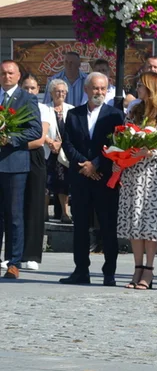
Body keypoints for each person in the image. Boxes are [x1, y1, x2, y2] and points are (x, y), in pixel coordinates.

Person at [59, 72, 121, 285]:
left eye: (103, 88)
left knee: (107, 226)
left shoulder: (114, 115)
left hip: (104, 178)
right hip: (81, 178)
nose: (99, 92)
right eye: (95, 88)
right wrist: (84, 165)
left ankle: (109, 272)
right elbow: (67, 144)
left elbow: (117, 144)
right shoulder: (74, 114)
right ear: (86, 90)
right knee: (81, 226)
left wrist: (96, 163)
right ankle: (81, 271)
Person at [117, 72, 157, 290]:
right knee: (135, 220)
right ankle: (137, 266)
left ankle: (149, 269)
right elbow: (122, 137)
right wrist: (122, 154)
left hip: (154, 175)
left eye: (141, 86)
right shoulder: (133, 110)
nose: (138, 89)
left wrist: (147, 151)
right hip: (133, 172)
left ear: (152, 88)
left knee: (150, 221)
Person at [0, 60, 43, 279]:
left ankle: (14, 262)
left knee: (14, 215)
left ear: (18, 76)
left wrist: (11, 138)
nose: (6, 76)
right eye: (3, 73)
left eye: (10, 73)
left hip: (15, 163)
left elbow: (35, 130)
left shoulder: (27, 99)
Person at [20, 74, 50, 271]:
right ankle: (13, 253)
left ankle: (31, 255)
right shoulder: (13, 106)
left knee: (34, 205)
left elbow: (40, 139)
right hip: (13, 156)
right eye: (26, 87)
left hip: (34, 157)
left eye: (33, 88)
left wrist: (10, 144)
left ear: (38, 89)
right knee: (14, 206)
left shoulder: (43, 109)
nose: (29, 91)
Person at [44, 79, 74, 223]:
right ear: (51, 93)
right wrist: (50, 142)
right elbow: (40, 131)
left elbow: (74, 132)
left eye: (63, 91)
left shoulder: (71, 109)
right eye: (57, 91)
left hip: (64, 153)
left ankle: (65, 213)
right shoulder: (44, 108)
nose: (60, 94)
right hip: (48, 151)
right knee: (46, 182)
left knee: (64, 182)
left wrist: (61, 144)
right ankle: (43, 212)